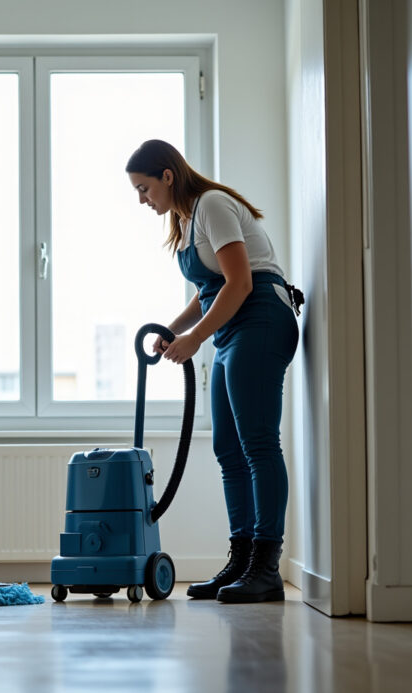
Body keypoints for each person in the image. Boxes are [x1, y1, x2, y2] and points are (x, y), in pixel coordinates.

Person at [126, 139, 300, 603]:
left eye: (144, 188)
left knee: (258, 443)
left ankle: (266, 567)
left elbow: (240, 282)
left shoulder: (213, 205)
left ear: (167, 175)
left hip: (261, 317)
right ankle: (241, 560)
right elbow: (209, 290)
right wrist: (174, 330)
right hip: (232, 328)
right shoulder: (185, 221)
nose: (142, 200)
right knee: (228, 448)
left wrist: (196, 338)